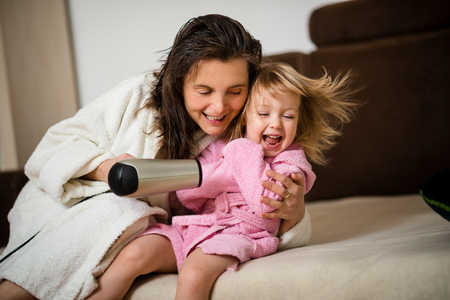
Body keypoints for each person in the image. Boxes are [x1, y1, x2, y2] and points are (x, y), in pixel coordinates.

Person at [0, 15, 309, 300]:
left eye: (234, 91)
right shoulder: (137, 96)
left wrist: (294, 214)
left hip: (168, 227)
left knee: (134, 219)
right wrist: (106, 169)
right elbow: (52, 148)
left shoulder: (256, 122)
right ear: (179, 82)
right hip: (68, 205)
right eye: (204, 91)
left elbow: (262, 212)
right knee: (120, 211)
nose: (219, 107)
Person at [87, 61, 356, 300]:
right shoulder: (220, 147)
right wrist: (218, 172)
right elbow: (189, 196)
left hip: (240, 234)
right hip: (197, 226)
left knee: (193, 274)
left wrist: (244, 153)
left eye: (288, 116)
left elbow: (266, 205)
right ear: (245, 117)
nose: (276, 124)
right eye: (264, 114)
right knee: (135, 254)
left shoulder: (291, 161)